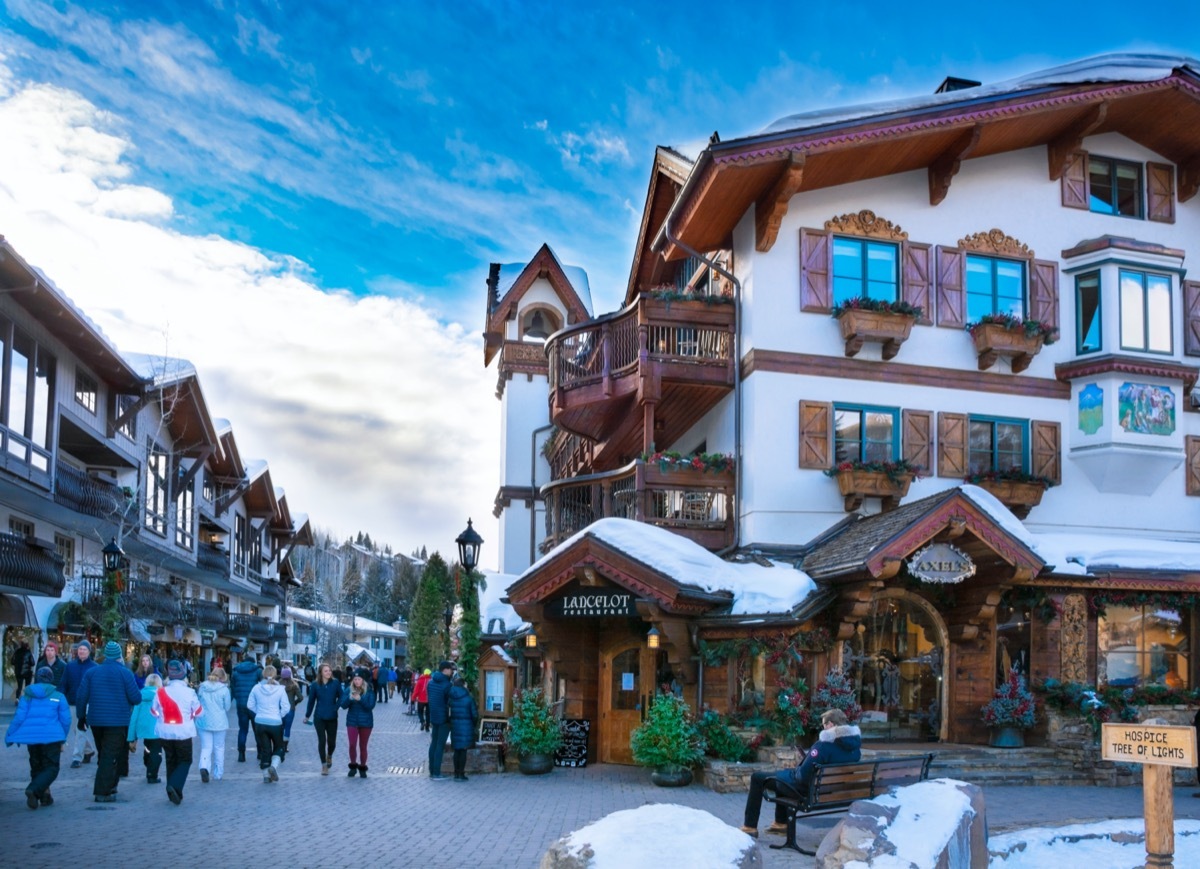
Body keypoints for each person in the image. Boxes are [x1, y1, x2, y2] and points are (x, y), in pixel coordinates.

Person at [740, 708, 861, 837]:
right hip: (832, 792)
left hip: (809, 792)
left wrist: (800, 767)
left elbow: (802, 776)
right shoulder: (855, 749)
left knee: (758, 778)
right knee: (782, 775)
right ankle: (780, 824)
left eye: (824, 725)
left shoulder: (824, 745)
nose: (823, 728)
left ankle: (750, 827)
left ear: (831, 724)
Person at [75, 640, 141, 803]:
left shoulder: (92, 673)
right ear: (119, 656)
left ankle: (110, 785)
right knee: (110, 754)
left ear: (105, 655)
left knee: (104, 753)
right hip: (117, 721)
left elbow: (81, 697)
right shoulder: (125, 673)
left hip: (96, 720)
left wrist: (81, 716)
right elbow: (136, 697)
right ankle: (102, 791)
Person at [5, 665, 70, 809]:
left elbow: (19, 717)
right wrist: (62, 737)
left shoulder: (27, 695)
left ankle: (43, 796)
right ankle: (33, 790)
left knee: (36, 765)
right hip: (52, 737)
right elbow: (66, 720)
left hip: (31, 737)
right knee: (52, 768)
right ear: (51, 679)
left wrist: (10, 734)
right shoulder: (58, 696)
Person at [153, 660, 203, 805]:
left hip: (165, 731)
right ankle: (174, 786)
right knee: (185, 760)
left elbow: (153, 711)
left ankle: (174, 792)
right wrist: (190, 715)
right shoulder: (189, 692)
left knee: (171, 759)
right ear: (182, 675)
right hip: (183, 731)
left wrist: (162, 716)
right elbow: (198, 712)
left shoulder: (160, 691)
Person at [247, 665, 289, 783]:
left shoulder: (256, 688)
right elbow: (286, 707)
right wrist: (278, 715)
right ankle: (274, 766)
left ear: (263, 674)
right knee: (279, 747)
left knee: (265, 749)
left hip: (260, 722)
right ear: (275, 675)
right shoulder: (280, 689)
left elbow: (250, 705)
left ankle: (266, 775)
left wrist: (259, 712)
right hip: (275, 722)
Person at [62, 640, 97, 768]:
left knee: (80, 729)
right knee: (76, 730)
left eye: (84, 649)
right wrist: (62, 698)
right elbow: (64, 684)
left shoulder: (94, 667)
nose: (81, 651)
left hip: (87, 703)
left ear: (89, 651)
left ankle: (77, 757)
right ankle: (88, 751)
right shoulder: (70, 666)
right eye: (80, 649)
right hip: (72, 702)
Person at [304, 663, 343, 775]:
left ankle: (329, 755)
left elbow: (342, 696)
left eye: (330, 670)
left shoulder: (335, 683)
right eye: (326, 671)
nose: (328, 673)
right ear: (321, 672)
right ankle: (324, 766)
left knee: (332, 743)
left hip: (332, 717)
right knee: (322, 741)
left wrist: (336, 706)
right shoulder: (315, 685)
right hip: (319, 717)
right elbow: (311, 701)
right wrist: (307, 715)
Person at [127, 673, 164, 784]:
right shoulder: (161, 696)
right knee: (157, 752)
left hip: (143, 728)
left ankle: (147, 762)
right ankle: (152, 775)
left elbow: (134, 717)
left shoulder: (140, 695)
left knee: (148, 747)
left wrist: (131, 737)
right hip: (157, 728)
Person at [196, 666, 232, 782]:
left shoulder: (202, 687)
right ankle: (218, 773)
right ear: (222, 678)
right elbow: (227, 707)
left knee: (206, 747)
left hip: (204, 721)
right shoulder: (224, 690)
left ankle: (204, 766)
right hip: (219, 722)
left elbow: (198, 702)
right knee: (219, 748)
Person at [341, 671, 376, 778]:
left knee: (363, 746)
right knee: (352, 744)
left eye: (359, 679)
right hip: (352, 721)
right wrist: (350, 698)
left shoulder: (369, 691)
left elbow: (370, 706)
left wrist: (360, 699)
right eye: (355, 679)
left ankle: (362, 767)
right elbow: (343, 705)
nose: (356, 681)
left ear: (363, 680)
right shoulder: (348, 689)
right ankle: (352, 766)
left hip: (366, 722)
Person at [228, 656, 263, 763]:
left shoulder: (236, 671)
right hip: (254, 705)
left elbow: (233, 688)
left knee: (243, 730)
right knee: (257, 730)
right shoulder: (258, 670)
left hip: (241, 704)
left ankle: (241, 754)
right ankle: (260, 753)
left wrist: (236, 698)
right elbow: (262, 686)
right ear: (253, 662)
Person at [426, 660, 454, 781]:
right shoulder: (447, 685)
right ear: (446, 670)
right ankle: (437, 773)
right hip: (444, 718)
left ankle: (431, 770)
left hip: (434, 716)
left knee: (434, 743)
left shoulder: (431, 683)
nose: (452, 671)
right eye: (450, 669)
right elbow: (450, 702)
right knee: (440, 745)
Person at [448, 676, 478, 782]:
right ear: (463, 685)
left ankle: (456, 773)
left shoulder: (451, 697)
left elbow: (448, 712)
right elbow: (474, 715)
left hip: (455, 727)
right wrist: (473, 725)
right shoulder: (469, 698)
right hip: (466, 727)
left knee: (457, 750)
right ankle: (461, 773)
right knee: (463, 750)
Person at [279, 667, 303, 756]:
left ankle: (279, 745)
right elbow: (301, 697)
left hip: (280, 709)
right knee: (287, 728)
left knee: (280, 727)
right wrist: (295, 703)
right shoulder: (294, 685)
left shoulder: (278, 684)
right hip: (290, 709)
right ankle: (285, 746)